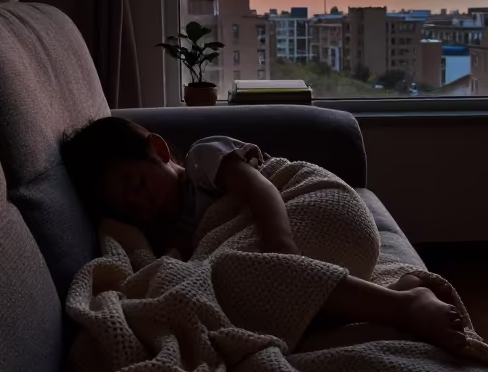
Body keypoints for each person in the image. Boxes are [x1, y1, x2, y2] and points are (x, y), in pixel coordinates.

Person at [61, 116, 465, 351]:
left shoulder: (203, 162)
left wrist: (280, 245)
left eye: (136, 186)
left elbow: (261, 188)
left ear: (159, 150)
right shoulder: (168, 229)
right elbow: (194, 268)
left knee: (242, 274)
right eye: (126, 206)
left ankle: (404, 306)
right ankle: (395, 298)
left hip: (313, 206)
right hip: (322, 265)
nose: (140, 205)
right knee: (248, 315)